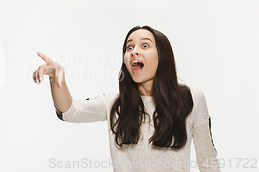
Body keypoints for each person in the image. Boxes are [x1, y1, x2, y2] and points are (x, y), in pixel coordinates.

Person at [33, 25, 220, 172]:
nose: (133, 51)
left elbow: (208, 161)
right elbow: (71, 111)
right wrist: (55, 77)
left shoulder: (192, 99)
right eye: (129, 47)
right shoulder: (115, 104)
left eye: (144, 45)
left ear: (162, 56)